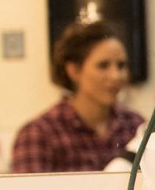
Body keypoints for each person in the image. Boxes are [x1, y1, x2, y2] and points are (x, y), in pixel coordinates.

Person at [12, 18, 144, 173]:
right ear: (74, 71)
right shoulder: (39, 135)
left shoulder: (135, 126)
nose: (116, 76)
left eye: (121, 65)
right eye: (103, 65)